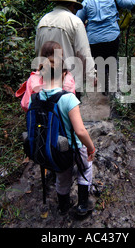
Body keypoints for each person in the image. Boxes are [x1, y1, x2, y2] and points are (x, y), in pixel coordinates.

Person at [28, 41, 96, 216]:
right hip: (73, 148)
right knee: (86, 169)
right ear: (65, 74)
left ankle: (63, 206)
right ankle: (82, 205)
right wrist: (90, 147)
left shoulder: (34, 98)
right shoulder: (68, 99)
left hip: (53, 148)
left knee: (62, 176)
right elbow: (80, 131)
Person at [76, 0, 135, 93]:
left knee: (98, 62)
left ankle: (104, 85)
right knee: (111, 59)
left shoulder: (87, 1)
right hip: (112, 37)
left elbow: (77, 19)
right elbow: (131, 3)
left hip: (93, 39)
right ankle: (112, 87)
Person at [35, 0, 96, 99]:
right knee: (68, 113)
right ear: (71, 5)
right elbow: (83, 52)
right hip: (68, 81)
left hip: (46, 80)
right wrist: (91, 76)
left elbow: (38, 50)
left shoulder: (43, 20)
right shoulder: (75, 22)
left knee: (48, 113)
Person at [15, 41, 75, 112]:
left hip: (39, 120)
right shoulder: (66, 77)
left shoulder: (34, 78)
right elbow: (71, 101)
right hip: (61, 119)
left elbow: (25, 104)